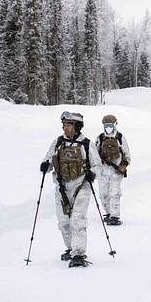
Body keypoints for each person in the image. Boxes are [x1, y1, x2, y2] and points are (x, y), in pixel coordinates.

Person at [39, 111, 98, 267]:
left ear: (77, 126)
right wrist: (45, 165)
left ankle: (79, 253)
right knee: (64, 222)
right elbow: (49, 158)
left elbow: (97, 165)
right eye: (64, 125)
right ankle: (71, 247)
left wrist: (93, 173)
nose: (65, 128)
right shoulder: (58, 143)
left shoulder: (86, 144)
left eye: (69, 125)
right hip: (62, 188)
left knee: (77, 219)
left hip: (81, 186)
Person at [95, 114, 130, 226]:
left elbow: (127, 155)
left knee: (114, 193)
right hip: (103, 171)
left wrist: (123, 165)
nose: (108, 128)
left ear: (115, 125)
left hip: (116, 171)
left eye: (110, 125)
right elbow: (94, 155)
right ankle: (109, 213)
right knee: (103, 194)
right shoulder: (100, 138)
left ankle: (115, 216)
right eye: (106, 125)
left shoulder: (120, 138)